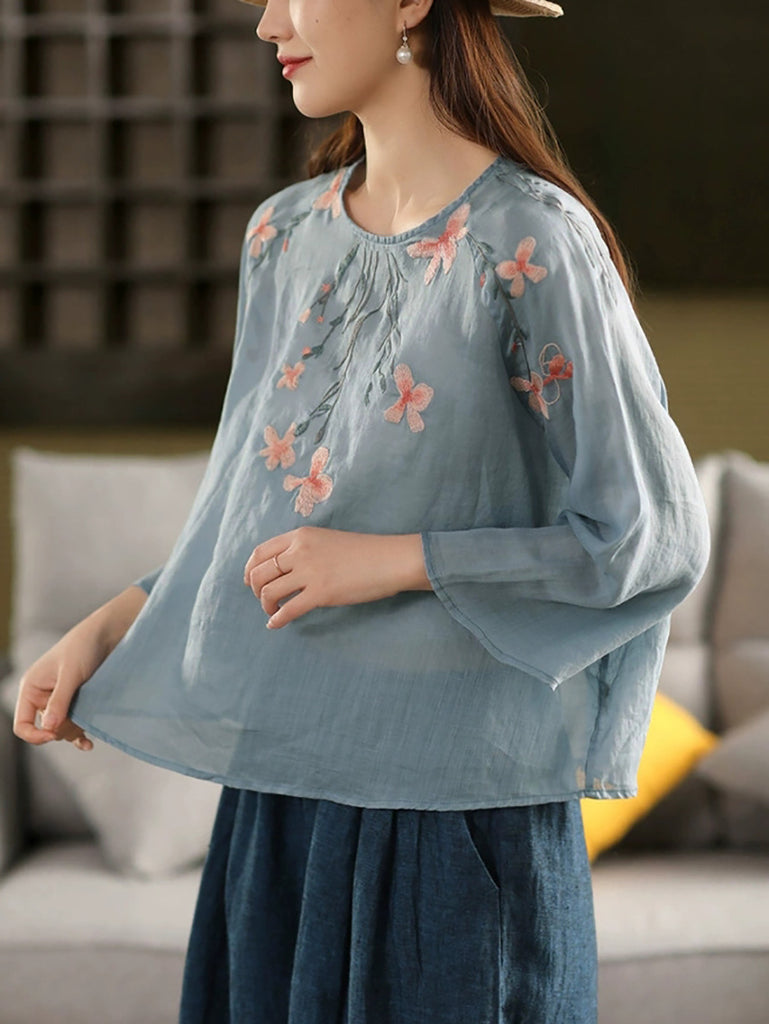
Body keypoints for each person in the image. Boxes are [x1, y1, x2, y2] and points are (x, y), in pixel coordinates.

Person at [12, 0, 711, 1020]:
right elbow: (252, 522)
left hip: (459, 819)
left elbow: (648, 537)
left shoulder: (532, 239)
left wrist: (396, 559)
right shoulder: (283, 236)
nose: (267, 24)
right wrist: (111, 625)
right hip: (275, 805)